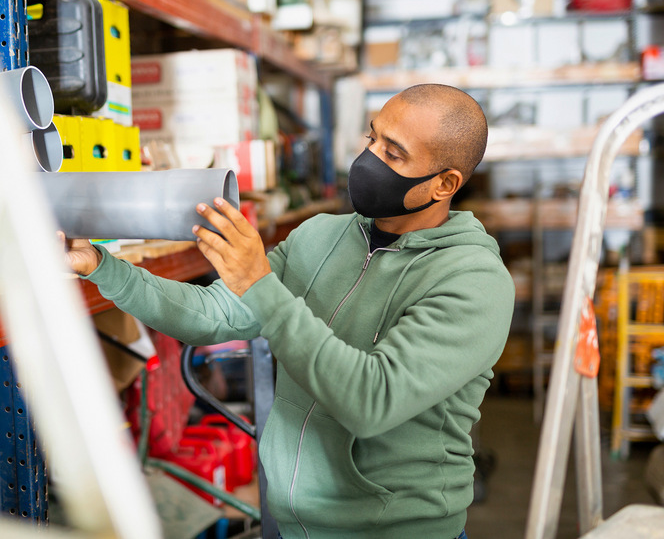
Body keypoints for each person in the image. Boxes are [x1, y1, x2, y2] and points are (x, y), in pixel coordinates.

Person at [63, 83, 515, 539]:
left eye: (393, 154)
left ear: (445, 184)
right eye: (371, 138)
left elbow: (370, 400)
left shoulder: (473, 281)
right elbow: (212, 314)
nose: (369, 159)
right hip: (290, 526)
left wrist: (259, 283)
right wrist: (104, 268)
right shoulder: (320, 235)